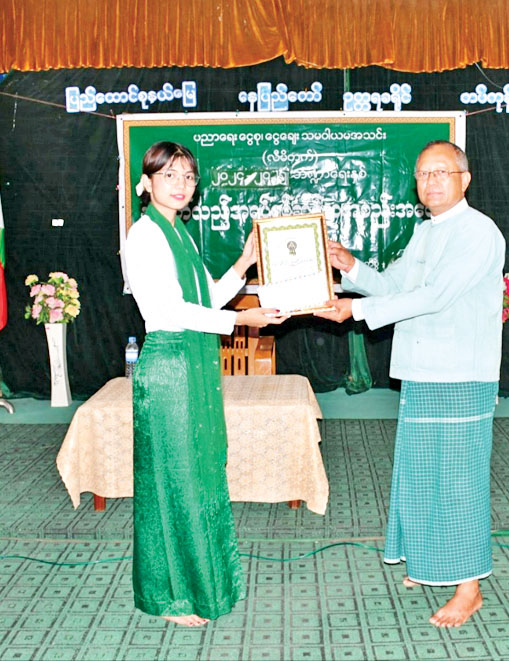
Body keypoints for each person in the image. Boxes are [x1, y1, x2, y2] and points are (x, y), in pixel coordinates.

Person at [315, 140, 505, 628]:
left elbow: (435, 296)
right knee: (421, 473)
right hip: (423, 370)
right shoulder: (426, 231)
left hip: (461, 373)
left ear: (465, 179)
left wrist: (356, 309)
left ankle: (469, 588)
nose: (431, 182)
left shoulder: (478, 231)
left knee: (459, 479)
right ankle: (429, 561)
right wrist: (350, 266)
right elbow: (396, 286)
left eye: (441, 172)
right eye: (423, 174)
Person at [123, 141, 286, 627]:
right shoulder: (144, 236)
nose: (181, 185)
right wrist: (243, 320)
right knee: (172, 481)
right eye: (169, 175)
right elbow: (169, 311)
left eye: (189, 177)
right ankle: (169, 596)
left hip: (192, 363)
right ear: (146, 183)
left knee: (199, 474)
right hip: (169, 368)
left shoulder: (179, 233)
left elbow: (206, 299)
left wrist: (243, 264)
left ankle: (200, 583)